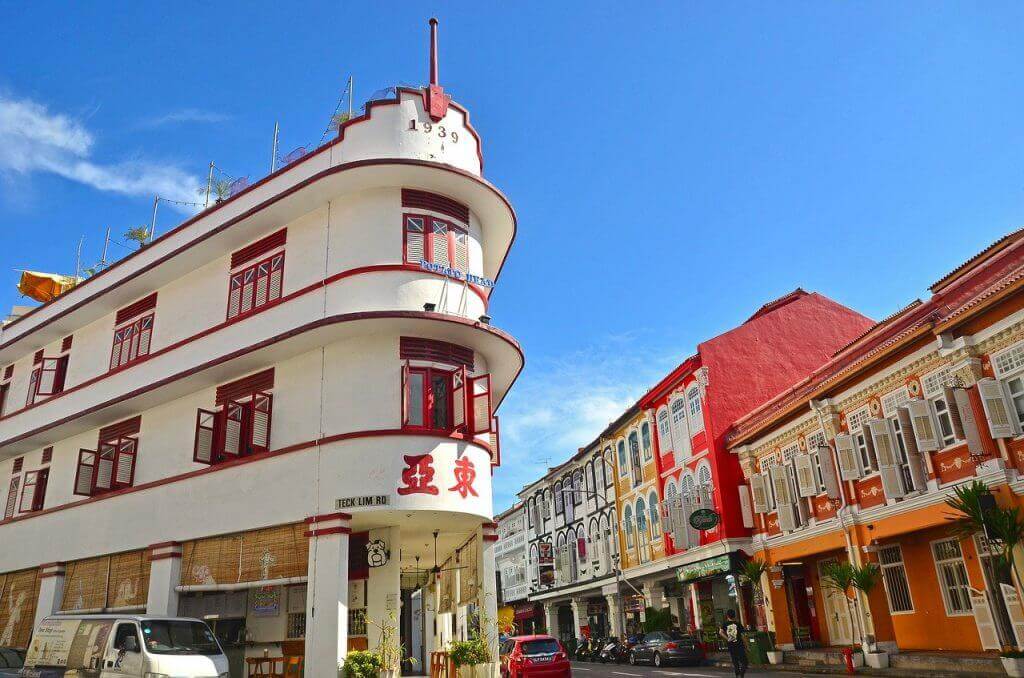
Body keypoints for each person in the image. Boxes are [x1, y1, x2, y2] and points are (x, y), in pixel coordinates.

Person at [719, 609, 748, 678]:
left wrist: (727, 638)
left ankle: (737, 674)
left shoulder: (725, 624)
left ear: (727, 616)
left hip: (731, 645)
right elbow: (743, 636)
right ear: (734, 615)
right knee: (745, 662)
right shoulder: (738, 624)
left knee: (735, 661)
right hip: (739, 644)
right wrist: (747, 645)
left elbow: (720, 632)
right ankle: (741, 674)